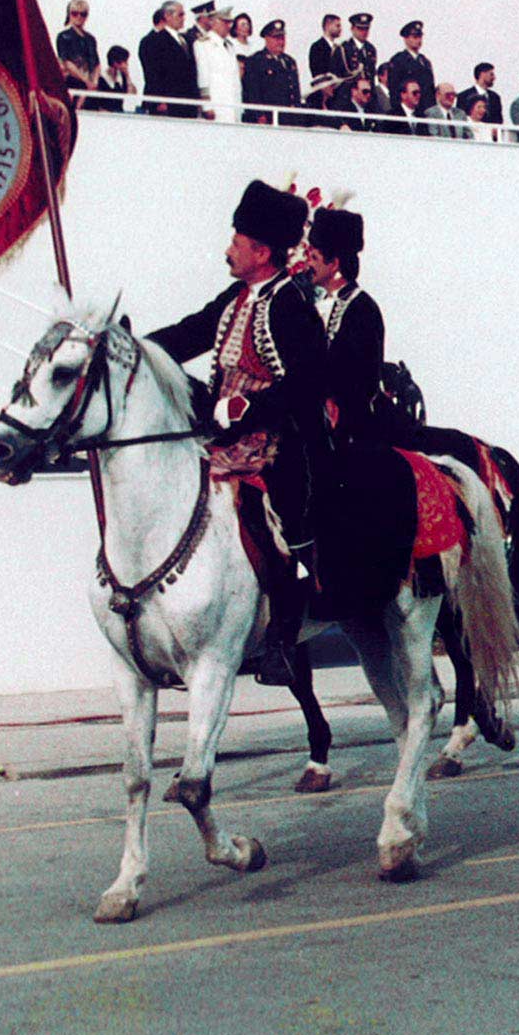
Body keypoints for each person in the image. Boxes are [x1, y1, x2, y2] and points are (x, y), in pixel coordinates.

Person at [147, 180, 329, 687]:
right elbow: (190, 332)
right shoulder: (236, 295)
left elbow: (309, 381)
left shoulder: (291, 302)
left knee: (279, 519)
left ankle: (283, 637)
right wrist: (132, 348)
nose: (228, 249)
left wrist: (250, 405)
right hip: (227, 436)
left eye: (237, 241)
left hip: (282, 438)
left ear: (262, 251)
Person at [300, 205, 419, 618]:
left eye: (314, 256)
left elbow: (357, 377)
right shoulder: (318, 303)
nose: (306, 262)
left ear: (335, 263)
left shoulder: (363, 309)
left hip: (357, 421)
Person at [138, 2, 199, 117]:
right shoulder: (155, 40)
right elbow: (152, 73)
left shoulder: (186, 39)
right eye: (180, 15)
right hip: (169, 103)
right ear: (167, 16)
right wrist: (159, 99)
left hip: (188, 101)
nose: (183, 19)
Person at [240, 20, 302, 126]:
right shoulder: (256, 61)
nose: (281, 42)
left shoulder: (289, 62)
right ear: (267, 39)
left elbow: (295, 92)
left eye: (282, 38)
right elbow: (252, 92)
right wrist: (259, 115)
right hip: (268, 119)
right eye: (276, 39)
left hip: (289, 118)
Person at [190, 1, 242, 122]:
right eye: (225, 22)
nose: (229, 26)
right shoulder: (203, 44)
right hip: (217, 105)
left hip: (233, 105)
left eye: (230, 22)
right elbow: (203, 76)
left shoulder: (230, 46)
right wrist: (207, 106)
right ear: (214, 22)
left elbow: (234, 78)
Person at [383, 20, 436, 115]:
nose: (418, 40)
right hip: (407, 110)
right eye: (415, 37)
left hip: (424, 110)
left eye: (420, 37)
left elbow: (430, 91)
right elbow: (394, 89)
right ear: (406, 39)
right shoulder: (398, 60)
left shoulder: (425, 62)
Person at [56, 0, 101, 100]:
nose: (79, 17)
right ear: (69, 14)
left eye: (83, 14)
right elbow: (67, 63)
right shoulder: (63, 36)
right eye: (75, 13)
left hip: (90, 80)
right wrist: (85, 81)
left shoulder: (90, 39)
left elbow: (97, 64)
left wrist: (95, 81)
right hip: (73, 80)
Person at [305, 13, 345, 125]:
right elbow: (317, 72)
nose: (340, 29)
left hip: (337, 95)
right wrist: (326, 86)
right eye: (337, 26)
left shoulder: (339, 49)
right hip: (322, 94)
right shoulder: (317, 47)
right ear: (328, 25)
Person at [460, 62, 503, 135]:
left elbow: (499, 120)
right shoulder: (464, 96)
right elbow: (461, 118)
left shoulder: (495, 97)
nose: (494, 78)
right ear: (482, 74)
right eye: (491, 74)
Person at [92, 46, 134, 113]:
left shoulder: (122, 78)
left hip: (119, 113)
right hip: (103, 114)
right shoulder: (101, 78)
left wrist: (128, 76)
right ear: (116, 62)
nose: (127, 64)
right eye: (125, 62)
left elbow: (131, 94)